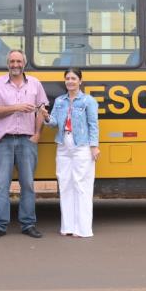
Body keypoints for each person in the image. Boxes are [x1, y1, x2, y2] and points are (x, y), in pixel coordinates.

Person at [0, 49, 49, 240]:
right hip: (4, 140)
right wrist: (17, 107)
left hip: (27, 140)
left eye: (18, 61)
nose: (15, 65)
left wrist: (37, 134)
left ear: (24, 63)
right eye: (12, 61)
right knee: (1, 185)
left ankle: (28, 224)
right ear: (7, 64)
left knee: (28, 185)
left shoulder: (35, 84)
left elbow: (41, 110)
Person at [41, 68, 100, 238]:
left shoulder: (88, 101)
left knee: (82, 186)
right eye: (67, 78)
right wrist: (45, 117)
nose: (70, 81)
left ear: (80, 81)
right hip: (63, 146)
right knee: (65, 185)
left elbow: (93, 125)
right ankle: (68, 227)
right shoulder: (60, 101)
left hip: (82, 145)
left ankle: (83, 229)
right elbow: (53, 124)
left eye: (74, 78)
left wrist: (94, 146)